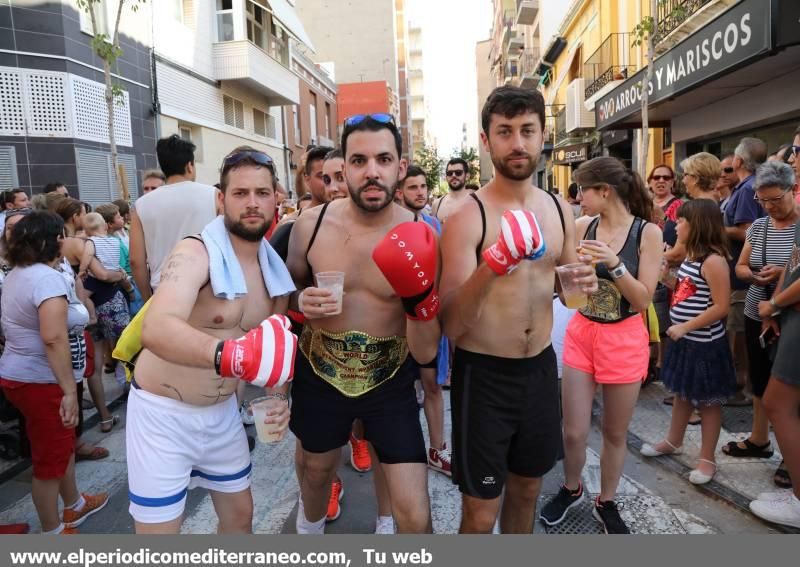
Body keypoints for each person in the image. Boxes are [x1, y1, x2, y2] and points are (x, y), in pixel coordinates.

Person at [439, 86, 596, 534]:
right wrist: (494, 264)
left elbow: (571, 295)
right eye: (505, 132)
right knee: (481, 511)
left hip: (540, 371)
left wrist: (580, 284)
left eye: (527, 130)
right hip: (485, 376)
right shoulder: (468, 217)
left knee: (527, 491)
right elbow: (451, 323)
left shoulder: (558, 209)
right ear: (486, 142)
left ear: (543, 135)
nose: (518, 143)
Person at [129, 147, 296, 534]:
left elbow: (275, 343)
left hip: (223, 415)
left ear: (276, 199)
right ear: (221, 199)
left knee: (240, 519)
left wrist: (279, 397)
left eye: (262, 193)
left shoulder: (275, 273)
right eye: (240, 193)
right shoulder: (194, 252)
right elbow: (157, 328)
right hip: (162, 415)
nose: (252, 203)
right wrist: (229, 355)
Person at [286, 113, 439, 534]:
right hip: (321, 373)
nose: (372, 172)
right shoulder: (309, 226)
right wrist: (301, 300)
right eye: (359, 161)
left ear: (400, 168)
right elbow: (288, 291)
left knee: (414, 509)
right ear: (344, 167)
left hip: (389, 379)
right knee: (316, 472)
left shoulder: (420, 235)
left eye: (384, 159)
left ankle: (387, 525)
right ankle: (309, 533)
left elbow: (426, 351)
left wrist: (421, 299)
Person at [540, 156, 662, 534]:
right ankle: (571, 487)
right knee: (573, 430)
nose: (579, 198)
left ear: (604, 191)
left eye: (583, 190)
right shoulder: (582, 225)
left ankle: (606, 500)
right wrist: (571, 284)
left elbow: (642, 300)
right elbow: (566, 287)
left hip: (624, 338)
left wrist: (615, 264)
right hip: (583, 331)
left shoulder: (648, 234)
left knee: (614, 432)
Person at [0, 211, 109, 533]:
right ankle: (53, 531)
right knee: (49, 462)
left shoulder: (19, 272)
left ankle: (74, 505)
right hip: (41, 381)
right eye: (60, 235)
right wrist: (67, 392)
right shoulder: (45, 279)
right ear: (49, 241)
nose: (65, 240)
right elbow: (53, 336)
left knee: (57, 449)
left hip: (23, 376)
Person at [641, 199, 735, 485]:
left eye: (681, 221)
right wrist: (666, 277)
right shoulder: (692, 258)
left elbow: (721, 307)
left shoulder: (713, 261)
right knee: (681, 393)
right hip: (685, 340)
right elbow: (686, 292)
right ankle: (674, 440)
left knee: (708, 402)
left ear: (697, 226)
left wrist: (685, 327)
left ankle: (707, 458)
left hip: (704, 344)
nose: (676, 225)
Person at [726, 162, 798, 490]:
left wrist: (780, 272)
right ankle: (759, 438)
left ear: (792, 191)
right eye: (763, 201)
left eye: (775, 200)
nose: (769, 207)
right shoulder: (759, 227)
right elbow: (741, 266)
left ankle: (790, 453)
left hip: (791, 317)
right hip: (759, 309)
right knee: (760, 378)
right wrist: (754, 275)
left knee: (790, 388)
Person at [749, 189, 800, 528]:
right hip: (790, 315)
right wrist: (776, 307)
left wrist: (776, 304)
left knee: (778, 403)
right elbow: (793, 262)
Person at [396, 165, 451, 476]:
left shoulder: (435, 224)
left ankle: (437, 450)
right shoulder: (390, 225)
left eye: (422, 186)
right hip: (396, 328)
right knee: (398, 392)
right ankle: (397, 452)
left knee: (432, 386)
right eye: (412, 187)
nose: (419, 192)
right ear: (400, 191)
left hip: (430, 322)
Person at [54, 199, 124, 434]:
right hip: (100, 304)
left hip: (77, 307)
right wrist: (121, 274)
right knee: (117, 351)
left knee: (91, 366)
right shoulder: (81, 244)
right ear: (75, 217)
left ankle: (101, 417)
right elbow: (103, 274)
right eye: (84, 212)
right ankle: (111, 413)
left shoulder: (59, 244)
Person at [130, 135, 219, 302]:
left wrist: (146, 296)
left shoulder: (140, 205)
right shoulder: (214, 196)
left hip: (163, 291)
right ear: (190, 166)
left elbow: (136, 261)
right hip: (209, 288)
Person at [724, 137, 768, 406]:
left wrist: (719, 229)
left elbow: (748, 230)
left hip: (745, 276)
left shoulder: (746, 189)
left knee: (740, 331)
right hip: (746, 272)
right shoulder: (751, 187)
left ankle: (745, 386)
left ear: (739, 161)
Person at [433, 158, 471, 223]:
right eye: (450, 173)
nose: (453, 175)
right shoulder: (437, 204)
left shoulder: (477, 201)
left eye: (458, 172)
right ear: (446, 177)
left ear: (467, 176)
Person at [648, 165, 680, 230]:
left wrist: (663, 217)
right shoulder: (645, 203)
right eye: (656, 177)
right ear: (650, 183)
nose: (661, 180)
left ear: (672, 183)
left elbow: (676, 232)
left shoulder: (679, 205)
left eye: (666, 178)